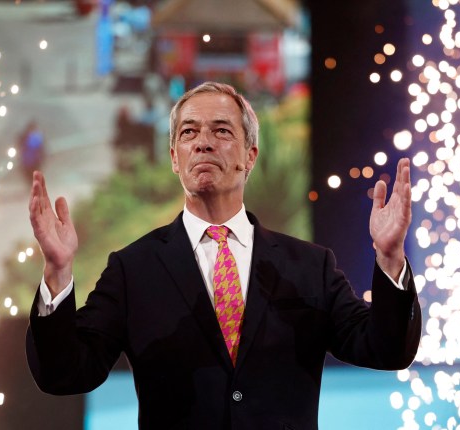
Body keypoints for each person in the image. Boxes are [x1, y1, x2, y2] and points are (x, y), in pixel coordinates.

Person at [26, 82, 421, 429]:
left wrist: (389, 258)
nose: (203, 141)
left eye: (221, 130)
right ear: (174, 158)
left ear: (249, 156)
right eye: (189, 132)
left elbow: (385, 349)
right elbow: (65, 373)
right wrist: (57, 272)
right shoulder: (133, 269)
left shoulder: (309, 266)